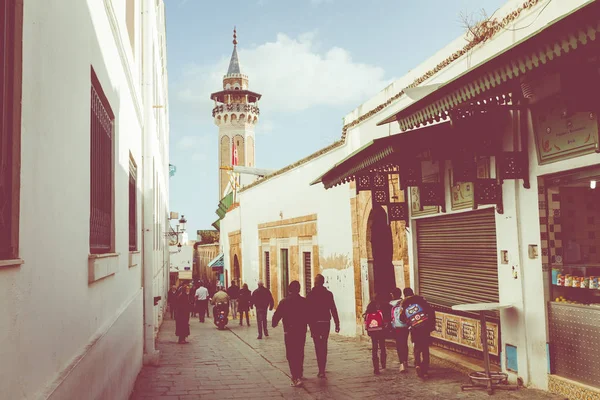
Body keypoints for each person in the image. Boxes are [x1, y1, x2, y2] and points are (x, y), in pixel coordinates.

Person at [272, 281, 309, 387]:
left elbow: (277, 314)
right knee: (300, 351)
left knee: (291, 354)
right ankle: (299, 372)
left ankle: (295, 376)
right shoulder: (304, 301)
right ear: (299, 289)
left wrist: (274, 323)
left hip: (289, 331)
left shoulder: (284, 302)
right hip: (301, 331)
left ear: (289, 289)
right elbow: (309, 315)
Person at [306, 274, 340, 378]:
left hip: (315, 323)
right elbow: (333, 308)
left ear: (315, 282)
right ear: (323, 282)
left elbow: (307, 311)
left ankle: (320, 368)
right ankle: (322, 369)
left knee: (317, 345)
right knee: (324, 345)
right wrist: (337, 323)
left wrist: (308, 324)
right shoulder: (328, 294)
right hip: (325, 322)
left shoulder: (310, 294)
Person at [400, 287, 435, 378]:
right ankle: (425, 369)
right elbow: (431, 311)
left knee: (417, 347)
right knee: (425, 348)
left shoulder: (405, 304)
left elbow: (401, 318)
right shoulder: (421, 300)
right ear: (413, 292)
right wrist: (431, 325)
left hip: (415, 329)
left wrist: (409, 322)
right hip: (425, 328)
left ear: (404, 294)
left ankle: (418, 364)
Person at [365, 292, 392, 375]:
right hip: (381, 330)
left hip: (372, 331)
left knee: (374, 347)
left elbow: (366, 318)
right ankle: (383, 364)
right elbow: (388, 318)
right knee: (382, 346)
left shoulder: (370, 305)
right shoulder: (386, 306)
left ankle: (376, 368)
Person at [389, 287, 409, 373]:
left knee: (399, 345)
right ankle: (405, 361)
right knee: (404, 343)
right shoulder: (404, 302)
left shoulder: (390, 304)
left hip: (396, 327)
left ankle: (401, 363)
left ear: (393, 295)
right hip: (405, 326)